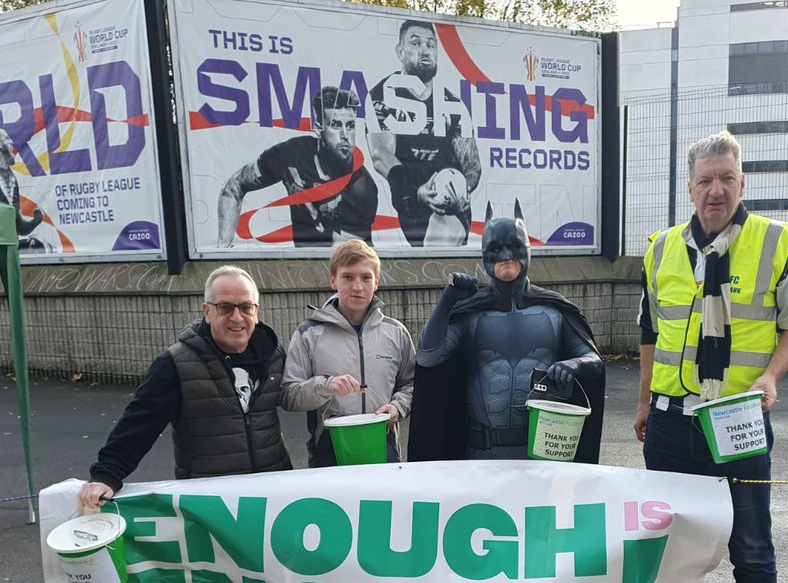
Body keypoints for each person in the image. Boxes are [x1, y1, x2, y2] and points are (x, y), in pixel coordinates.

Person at [635, 130, 788, 583]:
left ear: (743, 183)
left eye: (727, 179)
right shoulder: (662, 248)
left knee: (752, 547)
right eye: (705, 180)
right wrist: (642, 404)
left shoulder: (774, 244)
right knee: (662, 551)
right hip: (669, 423)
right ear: (689, 188)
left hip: (737, 420)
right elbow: (650, 333)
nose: (716, 190)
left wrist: (772, 377)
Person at [77, 266, 292, 509]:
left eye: (245, 307)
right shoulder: (175, 364)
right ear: (207, 312)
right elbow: (139, 424)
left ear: (256, 311)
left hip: (273, 492)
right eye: (225, 307)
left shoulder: (274, 355)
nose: (236, 317)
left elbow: (301, 395)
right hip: (210, 502)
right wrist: (106, 475)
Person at [408, 202, 605, 461]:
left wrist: (575, 364)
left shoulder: (554, 310)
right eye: (495, 248)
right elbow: (428, 358)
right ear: (484, 254)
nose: (505, 255)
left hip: (542, 452)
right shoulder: (471, 313)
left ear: (528, 249)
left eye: (514, 247)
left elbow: (594, 361)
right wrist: (447, 302)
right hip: (480, 452)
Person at [280, 239, 415, 466]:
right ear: (333, 280)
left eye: (366, 277)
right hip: (328, 449)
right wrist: (325, 385)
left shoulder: (396, 333)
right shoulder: (308, 333)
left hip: (384, 445)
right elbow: (288, 395)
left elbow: (412, 384)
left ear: (377, 282)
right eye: (348, 277)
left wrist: (397, 407)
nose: (357, 286)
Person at [367, 18, 481, 248]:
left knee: (444, 242)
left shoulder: (453, 104)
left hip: (450, 202)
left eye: (430, 44)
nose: (425, 49)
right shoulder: (382, 95)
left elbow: (472, 165)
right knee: (428, 258)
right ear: (400, 51)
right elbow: (381, 155)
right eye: (416, 43)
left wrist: (462, 189)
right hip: (411, 195)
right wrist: (416, 191)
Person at [217, 87, 378, 248]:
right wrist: (223, 245)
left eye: (350, 125)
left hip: (338, 264)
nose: (345, 135)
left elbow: (346, 258)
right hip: (302, 262)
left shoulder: (362, 188)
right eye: (335, 125)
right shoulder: (291, 154)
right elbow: (235, 186)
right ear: (318, 128)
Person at [0, 129, 44, 240]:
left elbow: (18, 227)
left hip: (10, 241)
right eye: (7, 139)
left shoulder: (12, 180)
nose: (11, 142)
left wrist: (36, 221)